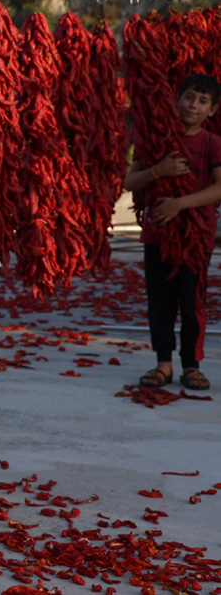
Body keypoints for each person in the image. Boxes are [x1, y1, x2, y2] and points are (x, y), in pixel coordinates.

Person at [124, 73, 221, 392]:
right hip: (159, 236)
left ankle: (191, 366)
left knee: (192, 302)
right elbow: (129, 181)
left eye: (202, 101)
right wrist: (158, 170)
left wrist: (179, 204)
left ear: (212, 110)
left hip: (196, 238)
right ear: (177, 100)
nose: (194, 105)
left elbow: (219, 188)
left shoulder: (212, 144)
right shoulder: (156, 140)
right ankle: (163, 363)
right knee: (161, 301)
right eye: (189, 97)